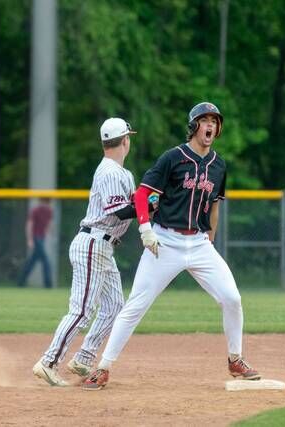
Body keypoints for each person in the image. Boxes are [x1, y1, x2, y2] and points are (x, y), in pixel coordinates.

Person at [83, 102, 260, 391]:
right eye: (204, 121)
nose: (210, 126)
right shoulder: (172, 158)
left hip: (199, 243)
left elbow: (214, 206)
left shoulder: (218, 165)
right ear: (194, 126)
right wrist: (146, 230)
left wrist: (209, 241)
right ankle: (102, 368)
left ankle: (235, 358)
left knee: (232, 298)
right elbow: (142, 196)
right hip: (165, 242)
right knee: (135, 306)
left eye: (214, 121)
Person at [32, 117, 142, 386]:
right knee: (82, 310)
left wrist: (146, 200)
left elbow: (132, 203)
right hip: (93, 243)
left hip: (104, 247)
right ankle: (48, 362)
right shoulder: (110, 172)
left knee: (115, 305)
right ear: (125, 141)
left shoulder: (121, 173)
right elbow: (120, 211)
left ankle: (83, 358)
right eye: (129, 137)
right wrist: (149, 205)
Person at [18, 198, 53, 288]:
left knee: (31, 262)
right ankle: (48, 284)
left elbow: (48, 223)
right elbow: (29, 225)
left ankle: (20, 282)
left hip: (41, 238)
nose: (45, 204)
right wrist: (30, 240)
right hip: (36, 238)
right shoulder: (35, 210)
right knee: (46, 261)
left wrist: (47, 232)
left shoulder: (49, 211)